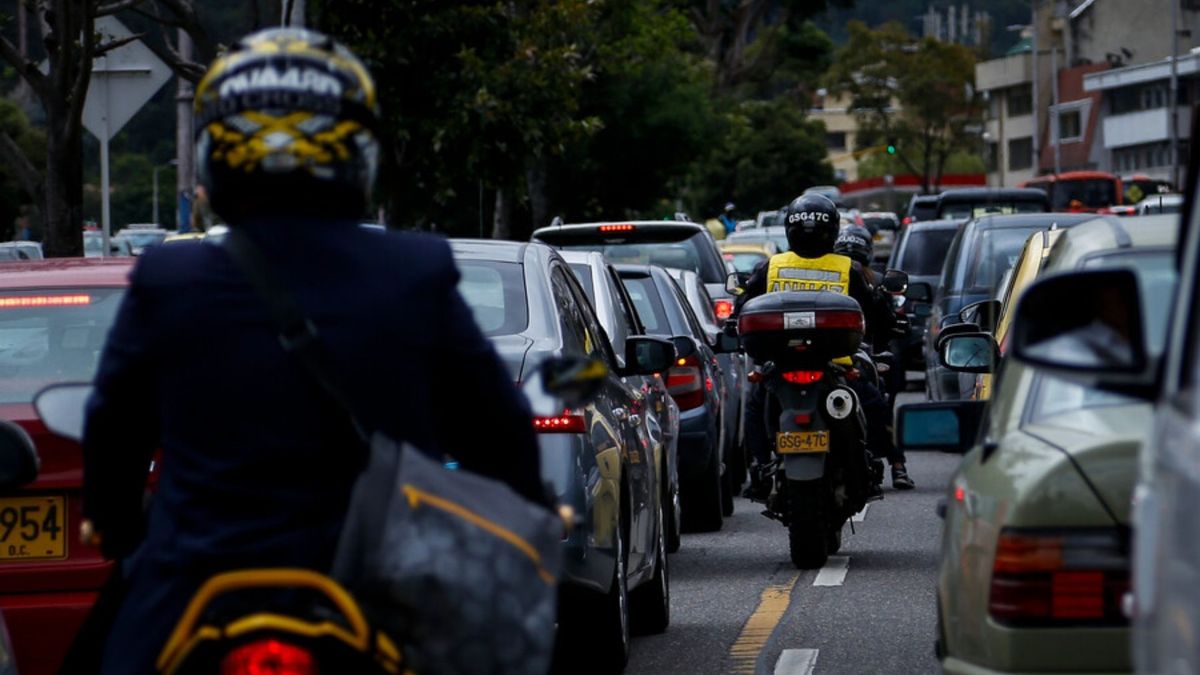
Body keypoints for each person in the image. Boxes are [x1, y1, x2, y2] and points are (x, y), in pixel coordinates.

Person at [78, 28, 548, 674]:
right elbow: (503, 438)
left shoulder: (169, 279)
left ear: (218, 155)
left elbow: (114, 431)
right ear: (357, 152)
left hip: (190, 586)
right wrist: (523, 508)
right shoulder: (414, 270)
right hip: (378, 592)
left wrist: (114, 523)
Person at [736, 193, 912, 496]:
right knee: (874, 405)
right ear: (832, 230)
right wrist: (890, 327)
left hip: (781, 366)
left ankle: (760, 469)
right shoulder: (847, 269)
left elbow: (743, 306)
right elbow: (877, 314)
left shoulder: (772, 266)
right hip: (839, 366)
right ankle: (884, 464)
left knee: (756, 404)